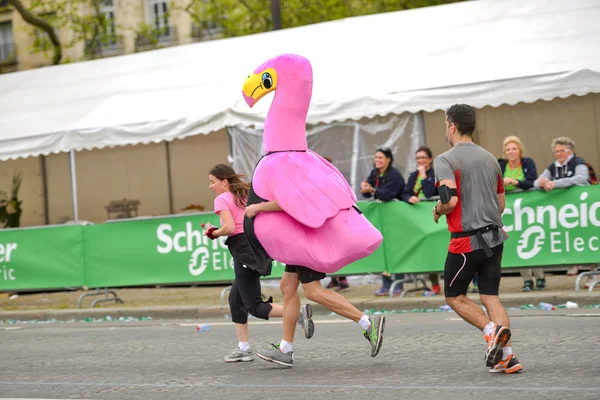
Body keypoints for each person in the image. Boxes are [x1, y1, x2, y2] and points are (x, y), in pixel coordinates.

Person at [432, 104, 522, 374]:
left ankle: (491, 331)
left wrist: (437, 210)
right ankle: (508, 356)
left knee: (454, 295)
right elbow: (501, 203)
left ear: (452, 126)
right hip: (495, 238)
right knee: (490, 297)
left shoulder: (445, 159)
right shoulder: (491, 158)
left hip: (466, 241)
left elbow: (450, 201)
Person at [205, 164, 314, 363]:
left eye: (213, 182)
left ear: (225, 182)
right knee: (235, 299)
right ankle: (243, 347)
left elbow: (229, 227)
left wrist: (213, 232)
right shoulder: (246, 193)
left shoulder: (222, 199)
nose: (210, 186)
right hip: (258, 246)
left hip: (243, 251)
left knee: (254, 306)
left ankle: (296, 313)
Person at [498, 135, 545, 291]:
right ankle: (526, 279)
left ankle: (540, 276)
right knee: (518, 240)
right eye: (508, 149)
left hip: (528, 206)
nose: (511, 152)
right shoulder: (501, 165)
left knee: (532, 237)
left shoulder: (528, 162)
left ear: (520, 150)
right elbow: (495, 183)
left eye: (514, 149)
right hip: (511, 208)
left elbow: (532, 181)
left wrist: (514, 182)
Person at [361, 147, 406, 296]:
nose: (377, 160)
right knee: (383, 250)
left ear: (388, 159)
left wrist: (372, 190)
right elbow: (368, 193)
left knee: (396, 249)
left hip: (395, 218)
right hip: (381, 219)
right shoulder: (375, 173)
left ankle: (399, 282)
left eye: (381, 157)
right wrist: (365, 189)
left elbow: (388, 195)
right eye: (376, 157)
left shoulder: (395, 175)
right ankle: (386, 284)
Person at [401, 146, 441, 294]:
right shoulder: (413, 176)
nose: (421, 161)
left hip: (433, 216)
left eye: (423, 157)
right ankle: (434, 284)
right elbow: (404, 193)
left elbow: (431, 193)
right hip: (418, 219)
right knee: (426, 251)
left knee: (437, 249)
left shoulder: (435, 173)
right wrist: (409, 198)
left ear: (430, 159)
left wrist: (424, 176)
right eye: (418, 158)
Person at [323, 156, 350, 292]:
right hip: (325, 221)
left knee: (337, 252)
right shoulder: (318, 178)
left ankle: (342, 278)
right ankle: (334, 278)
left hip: (335, 220)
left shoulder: (334, 178)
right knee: (329, 252)